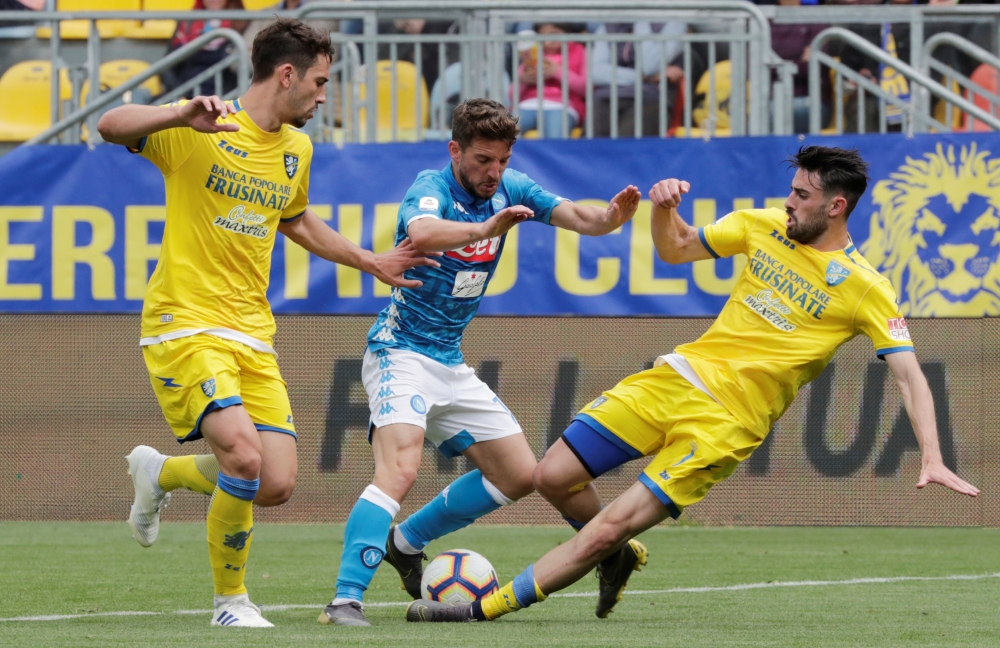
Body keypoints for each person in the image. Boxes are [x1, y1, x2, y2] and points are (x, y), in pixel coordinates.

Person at [404, 146, 981, 624]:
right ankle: (618, 557)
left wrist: (931, 453)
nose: (788, 201)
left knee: (609, 525)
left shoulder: (865, 288)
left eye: (802, 196)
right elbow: (674, 248)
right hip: (676, 379)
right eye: (791, 189)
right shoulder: (762, 227)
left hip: (725, 426)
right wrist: (662, 207)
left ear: (835, 206)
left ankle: (486, 608)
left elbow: (908, 372)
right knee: (550, 474)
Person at [97, 19, 436, 628]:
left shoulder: (296, 150)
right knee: (244, 460)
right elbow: (109, 125)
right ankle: (232, 603)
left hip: (252, 332)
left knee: (275, 481)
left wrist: (368, 260)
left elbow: (296, 220)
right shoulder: (204, 124)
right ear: (287, 75)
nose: (324, 95)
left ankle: (161, 473)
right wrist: (177, 116)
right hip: (186, 322)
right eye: (321, 81)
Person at [318, 98, 641, 627]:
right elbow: (421, 233)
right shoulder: (432, 187)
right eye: (484, 160)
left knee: (520, 475)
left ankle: (407, 542)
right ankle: (345, 600)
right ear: (456, 151)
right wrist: (485, 229)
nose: (494, 173)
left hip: (448, 360)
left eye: (502, 162)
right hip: (399, 352)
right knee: (399, 469)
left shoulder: (513, 190)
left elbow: (580, 216)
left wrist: (610, 218)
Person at [162, 0, 249, 98]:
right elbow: (168, 65)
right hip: (184, 95)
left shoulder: (244, 24)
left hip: (224, 98)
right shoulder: (187, 24)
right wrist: (178, 95)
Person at [514, 23, 587, 138]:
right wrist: (523, 81)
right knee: (504, 129)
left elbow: (585, 88)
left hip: (562, 106)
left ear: (566, 32)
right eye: (543, 36)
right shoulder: (532, 52)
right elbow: (512, 95)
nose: (548, 40)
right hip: (528, 104)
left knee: (555, 136)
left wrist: (557, 72)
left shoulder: (578, 50)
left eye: (554, 34)